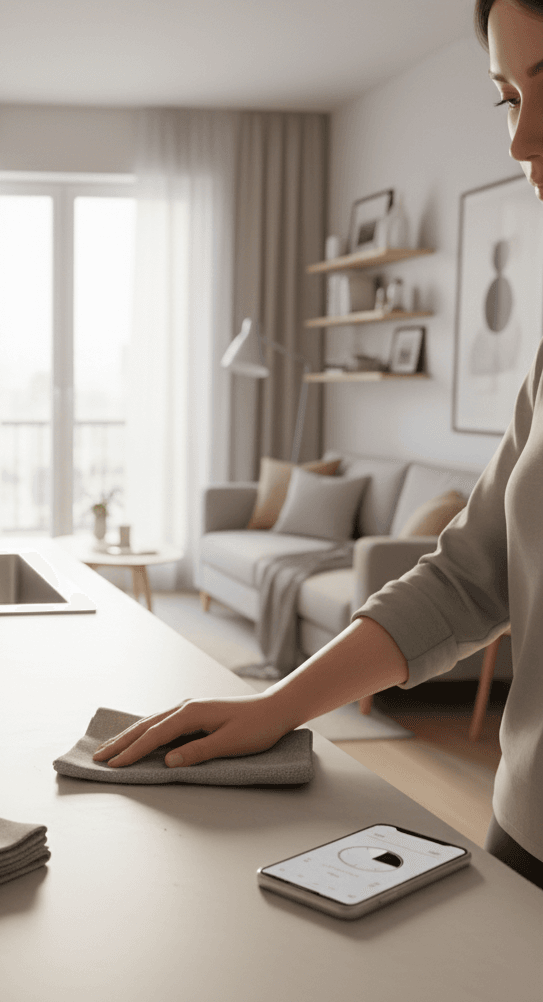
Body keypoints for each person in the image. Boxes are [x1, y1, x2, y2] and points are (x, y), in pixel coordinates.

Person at [93, 0, 543, 890]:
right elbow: (472, 573)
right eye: (504, 101)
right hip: (529, 820)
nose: (521, 142)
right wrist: (275, 705)